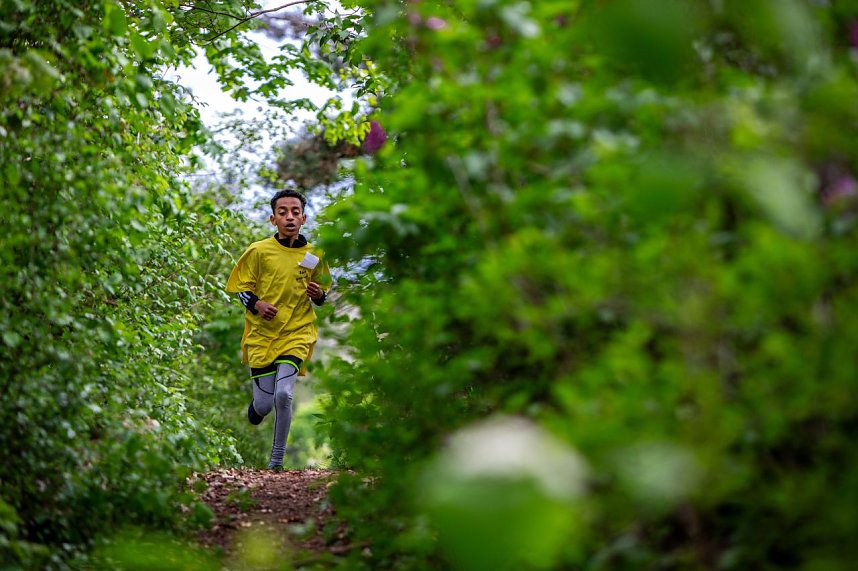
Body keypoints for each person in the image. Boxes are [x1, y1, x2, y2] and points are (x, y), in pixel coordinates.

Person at [226, 189, 331, 470]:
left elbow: (324, 295)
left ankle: (276, 461)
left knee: (284, 394)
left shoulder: (314, 255)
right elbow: (240, 288)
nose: (289, 217)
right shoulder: (259, 251)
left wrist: (318, 294)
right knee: (265, 404)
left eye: (295, 212)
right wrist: (258, 305)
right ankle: (256, 408)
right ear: (273, 219)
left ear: (304, 218)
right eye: (283, 212)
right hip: (262, 336)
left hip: (298, 332)